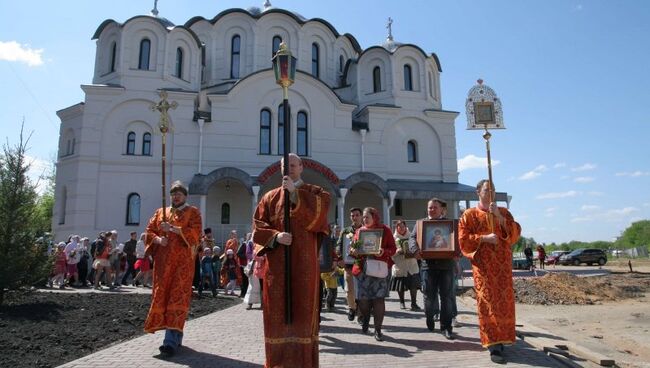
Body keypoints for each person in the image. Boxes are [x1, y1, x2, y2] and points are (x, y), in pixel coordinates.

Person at [252, 153, 330, 368]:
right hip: (277, 267)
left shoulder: (315, 192)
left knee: (303, 315)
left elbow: (320, 219)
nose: (289, 169)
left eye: (293, 165)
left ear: (302, 167)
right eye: (286, 166)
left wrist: (295, 194)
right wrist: (275, 236)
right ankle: (277, 363)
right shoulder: (269, 198)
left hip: (304, 267)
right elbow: (258, 227)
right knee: (276, 314)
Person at [458, 179, 521, 364]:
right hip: (484, 269)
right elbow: (463, 239)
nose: (490, 192)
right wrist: (484, 238)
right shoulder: (469, 215)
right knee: (488, 304)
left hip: (502, 267)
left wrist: (500, 219)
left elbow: (515, 234)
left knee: (504, 304)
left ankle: (503, 339)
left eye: (493, 189)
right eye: (487, 189)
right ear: (478, 191)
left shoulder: (503, 211)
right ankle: (493, 344)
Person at [143, 181, 202, 358]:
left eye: (179, 194)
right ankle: (176, 336)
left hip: (182, 265)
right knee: (163, 297)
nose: (176, 196)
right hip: (163, 265)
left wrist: (174, 230)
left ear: (185, 196)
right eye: (173, 193)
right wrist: (158, 240)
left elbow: (195, 234)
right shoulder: (161, 212)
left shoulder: (193, 212)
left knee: (177, 298)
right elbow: (148, 231)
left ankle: (169, 342)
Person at [409, 198, 456, 339]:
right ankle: (429, 317)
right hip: (427, 266)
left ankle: (446, 327)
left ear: (442, 209)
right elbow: (412, 238)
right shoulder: (420, 224)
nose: (432, 210)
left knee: (447, 298)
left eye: (435, 207)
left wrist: (456, 251)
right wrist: (415, 250)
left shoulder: (449, 225)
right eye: (430, 207)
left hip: (446, 265)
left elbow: (456, 240)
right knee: (429, 296)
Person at [350, 207, 397, 342]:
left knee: (378, 300)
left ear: (374, 217)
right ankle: (365, 319)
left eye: (367, 217)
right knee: (363, 301)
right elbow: (353, 248)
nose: (364, 220)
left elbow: (393, 249)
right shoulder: (360, 231)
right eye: (363, 217)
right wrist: (354, 250)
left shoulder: (385, 230)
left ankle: (378, 330)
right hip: (362, 271)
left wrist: (383, 252)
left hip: (379, 270)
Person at [336, 207, 363, 322]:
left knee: (361, 290)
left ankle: (361, 314)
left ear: (361, 216)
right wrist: (339, 258)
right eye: (352, 215)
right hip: (348, 265)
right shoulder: (345, 231)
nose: (355, 217)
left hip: (362, 265)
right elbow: (339, 245)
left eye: (357, 215)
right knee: (349, 289)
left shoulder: (366, 230)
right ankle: (352, 308)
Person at [390, 220, 421, 311]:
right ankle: (402, 302)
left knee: (413, 286)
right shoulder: (393, 238)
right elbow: (390, 253)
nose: (401, 228)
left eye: (403, 226)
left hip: (411, 264)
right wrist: (396, 252)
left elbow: (417, 247)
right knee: (401, 286)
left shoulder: (411, 236)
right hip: (400, 265)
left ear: (405, 227)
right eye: (399, 227)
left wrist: (413, 252)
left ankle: (414, 303)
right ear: (396, 228)